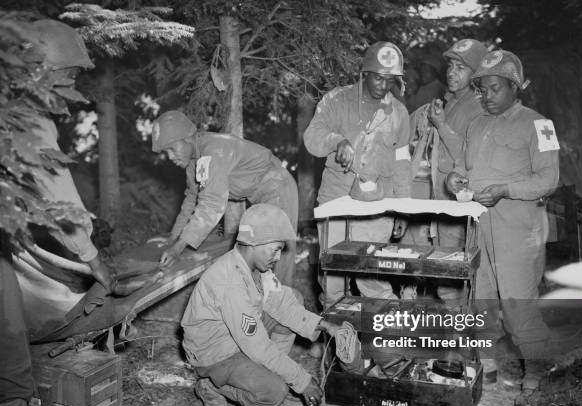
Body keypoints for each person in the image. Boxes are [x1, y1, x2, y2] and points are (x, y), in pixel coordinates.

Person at [0, 19, 111, 406]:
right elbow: (54, 190)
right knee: (9, 351)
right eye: (67, 75)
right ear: (42, 69)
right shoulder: (24, 110)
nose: (70, 87)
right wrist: (92, 259)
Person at [446, 50, 560, 388]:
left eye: (495, 88)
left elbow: (547, 179)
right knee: (480, 296)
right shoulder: (476, 124)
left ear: (514, 86)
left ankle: (537, 374)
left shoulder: (539, 124)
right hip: (480, 225)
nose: (487, 96)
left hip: (518, 228)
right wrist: (454, 179)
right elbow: (463, 168)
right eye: (482, 89)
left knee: (516, 302)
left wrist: (505, 189)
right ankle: (487, 366)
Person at [181, 204, 341, 406]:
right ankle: (210, 385)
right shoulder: (231, 282)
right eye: (274, 249)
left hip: (234, 337)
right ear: (253, 243)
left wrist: (324, 325)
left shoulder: (253, 266)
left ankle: (270, 369)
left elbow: (282, 303)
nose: (277, 257)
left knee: (292, 298)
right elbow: (256, 345)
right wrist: (301, 381)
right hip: (214, 353)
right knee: (274, 391)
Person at [303, 41, 412, 305]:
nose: (383, 85)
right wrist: (336, 141)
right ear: (364, 73)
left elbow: (401, 163)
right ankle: (339, 340)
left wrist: (402, 208)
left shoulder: (398, 112)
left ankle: (385, 339)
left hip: (377, 205)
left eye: (390, 80)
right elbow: (312, 136)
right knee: (333, 280)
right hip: (336, 199)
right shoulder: (336, 100)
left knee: (371, 274)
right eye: (378, 78)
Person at [151, 112, 298, 287]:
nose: (170, 156)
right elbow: (192, 199)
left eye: (172, 149)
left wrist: (178, 248)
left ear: (188, 138)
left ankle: (284, 308)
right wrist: (173, 238)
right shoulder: (194, 162)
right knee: (258, 260)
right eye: (165, 152)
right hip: (260, 196)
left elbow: (212, 205)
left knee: (273, 257)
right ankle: (262, 307)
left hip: (277, 187)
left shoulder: (214, 151)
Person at [427, 39, 488, 300]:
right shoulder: (453, 101)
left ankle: (463, 333)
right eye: (451, 66)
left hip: (460, 201)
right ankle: (459, 331)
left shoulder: (479, 107)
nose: (452, 72)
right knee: (447, 273)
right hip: (445, 200)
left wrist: (440, 125)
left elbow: (467, 156)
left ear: (476, 74)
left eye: (461, 68)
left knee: (457, 276)